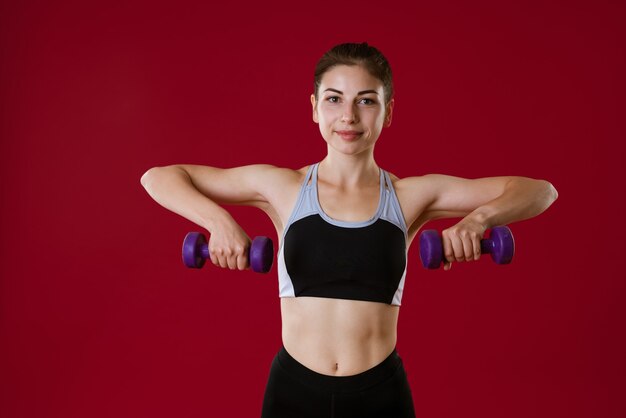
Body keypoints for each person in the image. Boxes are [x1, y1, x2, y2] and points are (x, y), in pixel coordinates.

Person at [140, 42, 558, 418]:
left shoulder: (410, 197)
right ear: (314, 108)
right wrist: (219, 223)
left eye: (366, 101)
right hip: (293, 391)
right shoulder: (283, 188)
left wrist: (478, 220)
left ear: (388, 110)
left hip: (379, 393)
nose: (348, 116)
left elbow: (540, 191)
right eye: (334, 99)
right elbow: (159, 177)